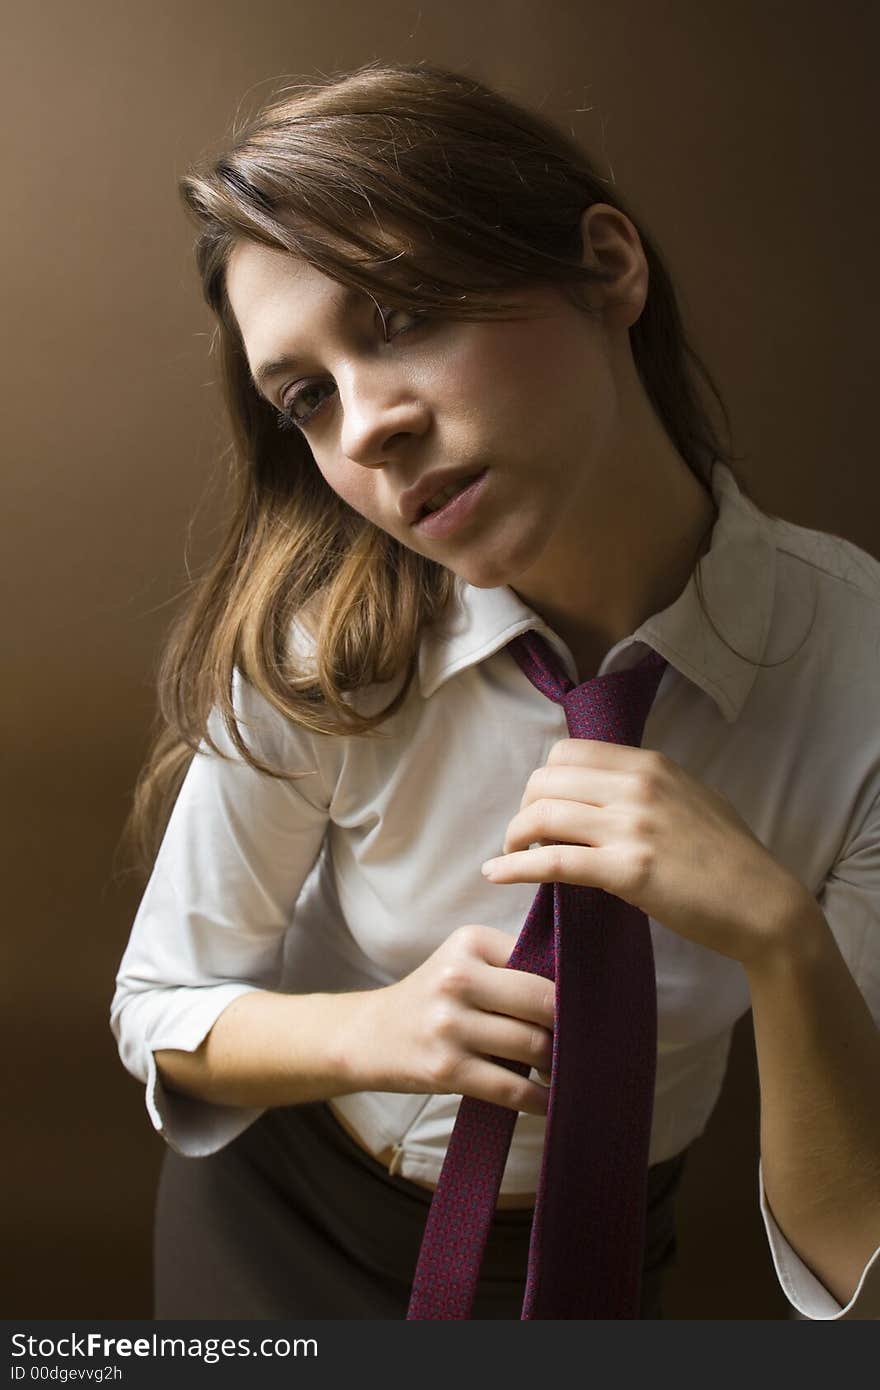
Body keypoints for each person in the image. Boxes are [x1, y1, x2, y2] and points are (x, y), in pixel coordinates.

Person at [111, 59, 880, 1321]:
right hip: (275, 1228)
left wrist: (781, 940)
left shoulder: (854, 673)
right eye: (305, 396)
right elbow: (160, 1006)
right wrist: (377, 1030)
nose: (364, 428)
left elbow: (852, 1254)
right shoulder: (327, 652)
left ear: (606, 268)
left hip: (594, 1255)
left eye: (401, 315)